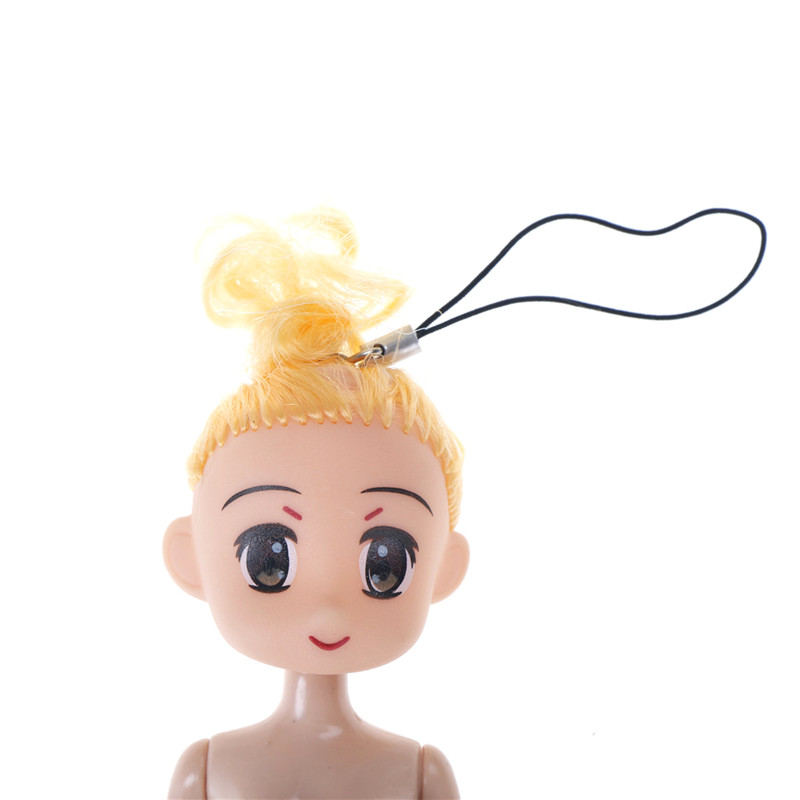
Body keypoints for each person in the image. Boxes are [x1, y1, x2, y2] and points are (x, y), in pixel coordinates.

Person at [163, 208, 470, 799]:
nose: (328, 614)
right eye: (267, 559)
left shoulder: (421, 775)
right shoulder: (205, 770)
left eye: (385, 564)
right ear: (189, 557)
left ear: (444, 568)